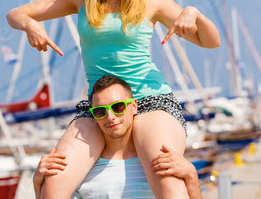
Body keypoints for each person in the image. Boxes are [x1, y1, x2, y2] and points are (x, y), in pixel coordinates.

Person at [6, 0, 220, 198]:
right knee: (53, 182)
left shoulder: (151, 0)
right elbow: (15, 14)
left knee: (167, 178)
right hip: (99, 107)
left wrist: (194, 13)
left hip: (150, 100)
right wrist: (30, 25)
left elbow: (211, 41)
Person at [32, 75, 201, 199]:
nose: (110, 116)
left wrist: (192, 178)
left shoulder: (159, 162)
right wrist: (39, 183)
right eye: (100, 111)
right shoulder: (80, 171)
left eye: (118, 107)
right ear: (93, 115)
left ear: (134, 106)